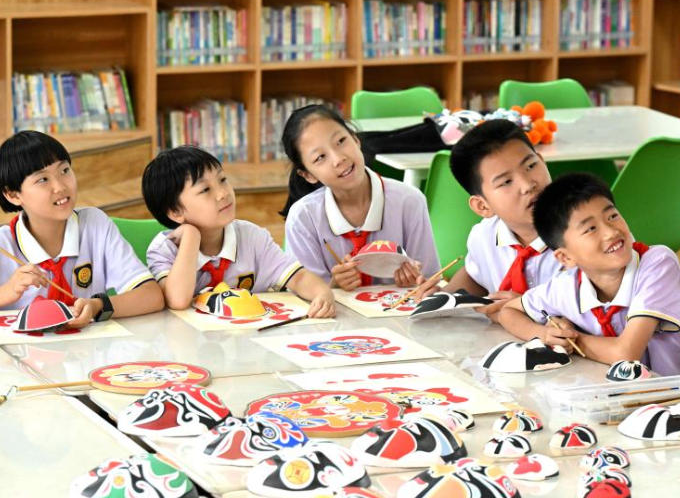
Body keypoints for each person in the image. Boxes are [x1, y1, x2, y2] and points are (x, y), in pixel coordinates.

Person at [499, 173, 680, 375]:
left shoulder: (657, 263)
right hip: (614, 401)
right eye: (590, 229)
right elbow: (508, 312)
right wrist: (546, 334)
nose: (611, 231)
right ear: (566, 258)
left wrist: (573, 340)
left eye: (612, 216)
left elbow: (626, 354)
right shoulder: (566, 286)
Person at [142, 146, 334, 317]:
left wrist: (322, 293)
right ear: (176, 212)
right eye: (205, 190)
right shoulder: (164, 249)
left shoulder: (252, 237)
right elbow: (177, 300)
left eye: (223, 180)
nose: (223, 193)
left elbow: (297, 277)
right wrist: (191, 237)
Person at [0, 131, 164, 325]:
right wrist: (7, 292)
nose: (60, 186)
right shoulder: (4, 244)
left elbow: (152, 296)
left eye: (64, 170)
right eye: (42, 179)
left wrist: (99, 306)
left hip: (90, 351)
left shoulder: (95, 224)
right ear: (13, 195)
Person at [416, 119, 564, 322]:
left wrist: (525, 306)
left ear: (542, 161)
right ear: (482, 206)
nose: (527, 185)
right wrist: (445, 296)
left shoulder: (582, 233)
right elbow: (474, 275)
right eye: (506, 182)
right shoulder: (485, 235)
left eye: (531, 166)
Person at [280, 104, 440, 291]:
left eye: (341, 141)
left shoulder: (410, 201)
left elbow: (430, 280)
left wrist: (416, 282)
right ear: (308, 175)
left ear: (356, 140)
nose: (338, 159)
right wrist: (333, 286)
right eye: (320, 157)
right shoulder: (303, 217)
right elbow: (304, 295)